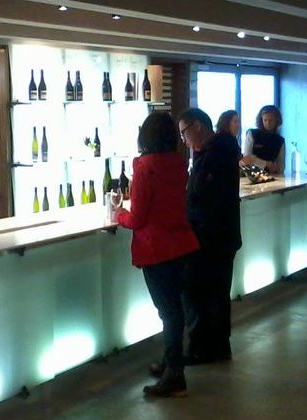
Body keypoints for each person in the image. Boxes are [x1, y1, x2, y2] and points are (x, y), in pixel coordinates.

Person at [115, 112, 199, 398]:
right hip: (181, 243)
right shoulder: (178, 163)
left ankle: (175, 373)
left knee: (169, 312)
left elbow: (137, 217)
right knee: (175, 309)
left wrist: (119, 215)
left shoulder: (145, 167)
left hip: (157, 247)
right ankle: (169, 362)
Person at [178, 108, 241, 364]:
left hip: (210, 237)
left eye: (184, 133)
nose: (183, 140)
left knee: (199, 292)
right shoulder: (218, 150)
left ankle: (202, 348)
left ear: (197, 126)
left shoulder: (216, 155)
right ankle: (218, 347)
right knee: (216, 294)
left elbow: (204, 198)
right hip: (220, 236)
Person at [241, 105, 286, 175]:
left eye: (271, 120)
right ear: (261, 120)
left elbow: (281, 167)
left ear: (277, 120)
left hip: (271, 176)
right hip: (250, 175)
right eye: (265, 120)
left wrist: (255, 160)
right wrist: (266, 164)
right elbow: (246, 159)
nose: (268, 123)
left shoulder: (280, 140)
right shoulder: (252, 134)